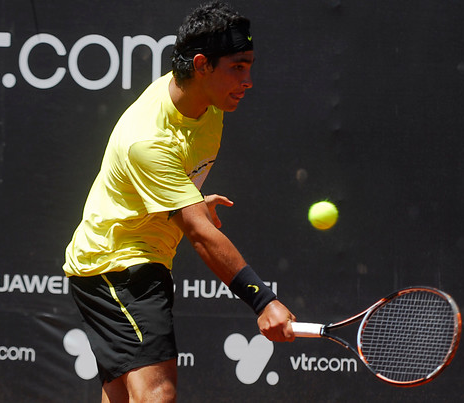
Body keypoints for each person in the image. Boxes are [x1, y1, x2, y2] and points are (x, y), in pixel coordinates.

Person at [63, 2, 296, 401]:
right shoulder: (148, 139)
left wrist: (189, 199)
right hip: (119, 266)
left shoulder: (204, 98)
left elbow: (177, 194)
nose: (249, 81)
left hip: (127, 260)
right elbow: (200, 234)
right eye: (237, 67)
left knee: (123, 396)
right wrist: (263, 301)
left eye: (250, 65)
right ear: (202, 64)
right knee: (157, 394)